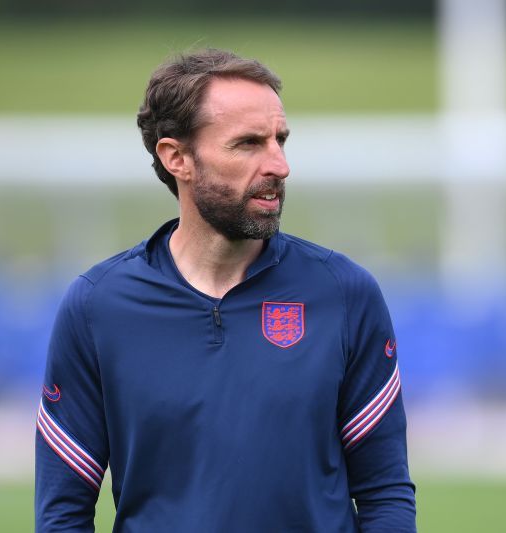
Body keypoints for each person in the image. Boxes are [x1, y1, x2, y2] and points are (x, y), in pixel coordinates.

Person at [35, 48, 416, 532]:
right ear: (177, 158)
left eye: (280, 140)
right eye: (248, 144)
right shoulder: (97, 307)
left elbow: (385, 494)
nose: (279, 165)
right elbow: (62, 513)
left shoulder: (344, 294)